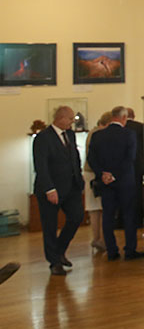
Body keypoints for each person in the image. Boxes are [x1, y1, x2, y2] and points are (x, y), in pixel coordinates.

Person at [32, 105, 84, 276]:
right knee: (50, 226)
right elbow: (41, 166)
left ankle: (59, 250)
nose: (72, 122)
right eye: (70, 118)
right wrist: (49, 189)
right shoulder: (43, 138)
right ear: (60, 118)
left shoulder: (70, 134)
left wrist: (79, 179)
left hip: (71, 187)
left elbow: (74, 158)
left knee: (76, 217)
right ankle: (54, 262)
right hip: (51, 189)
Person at [88, 106, 143, 261]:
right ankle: (130, 250)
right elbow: (130, 158)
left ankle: (112, 251)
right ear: (124, 118)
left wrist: (103, 174)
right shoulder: (129, 134)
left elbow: (91, 158)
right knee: (129, 216)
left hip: (106, 183)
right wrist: (115, 175)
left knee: (108, 216)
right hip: (125, 182)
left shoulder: (98, 135)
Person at [83, 111, 111, 251]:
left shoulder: (92, 133)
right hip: (95, 174)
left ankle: (98, 238)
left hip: (91, 173)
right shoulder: (97, 134)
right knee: (98, 207)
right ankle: (100, 239)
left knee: (95, 207)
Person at [124, 107, 144, 228]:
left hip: (124, 167)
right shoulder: (142, 127)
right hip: (139, 165)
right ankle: (138, 220)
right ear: (134, 115)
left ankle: (125, 221)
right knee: (138, 194)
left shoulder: (122, 128)